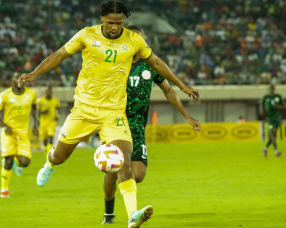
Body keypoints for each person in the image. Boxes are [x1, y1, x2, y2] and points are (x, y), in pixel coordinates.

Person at [18, 2, 199, 227]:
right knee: (60, 156)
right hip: (83, 110)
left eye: (119, 23)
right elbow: (59, 55)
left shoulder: (133, 40)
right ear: (103, 19)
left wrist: (182, 85)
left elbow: (156, 62)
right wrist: (34, 74)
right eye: (111, 23)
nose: (115, 27)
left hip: (113, 113)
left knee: (123, 162)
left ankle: (133, 216)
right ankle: (50, 164)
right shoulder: (87, 35)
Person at [102, 25, 202, 224]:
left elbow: (168, 91)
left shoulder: (150, 65)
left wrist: (187, 116)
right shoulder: (114, 63)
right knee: (118, 166)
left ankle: (120, 190)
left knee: (137, 174)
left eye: (141, 39)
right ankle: (109, 213)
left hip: (138, 125)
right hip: (115, 123)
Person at [0, 72, 38, 198]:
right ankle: (4, 189)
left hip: (23, 133)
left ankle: (16, 158)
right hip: (9, 132)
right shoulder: (5, 95)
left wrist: (35, 124)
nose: (19, 80)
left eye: (21, 78)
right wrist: (4, 126)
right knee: (8, 160)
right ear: (11, 81)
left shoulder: (31, 94)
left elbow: (34, 108)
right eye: (16, 78)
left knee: (25, 162)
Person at [261, 84, 286, 158]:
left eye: (272, 88)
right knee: (271, 133)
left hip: (277, 118)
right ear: (269, 89)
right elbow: (263, 107)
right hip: (270, 119)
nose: (271, 89)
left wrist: (277, 107)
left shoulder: (278, 97)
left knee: (273, 135)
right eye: (270, 88)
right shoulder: (266, 97)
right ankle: (276, 151)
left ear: (274, 89)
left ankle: (265, 148)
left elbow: (284, 106)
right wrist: (263, 113)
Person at [37, 85, 60, 156]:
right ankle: (46, 152)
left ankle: (50, 153)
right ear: (45, 92)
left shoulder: (55, 101)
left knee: (50, 137)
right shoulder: (40, 100)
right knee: (45, 140)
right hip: (43, 122)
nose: (49, 92)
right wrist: (43, 112)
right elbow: (37, 111)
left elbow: (58, 109)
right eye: (48, 90)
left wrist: (57, 116)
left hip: (52, 122)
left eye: (50, 90)